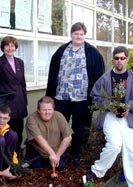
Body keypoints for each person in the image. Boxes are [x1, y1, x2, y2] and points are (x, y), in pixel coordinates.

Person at [86, 46, 133, 187]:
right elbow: (95, 96)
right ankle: (96, 171)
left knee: (132, 151)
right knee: (115, 145)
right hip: (110, 115)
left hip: (128, 117)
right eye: (116, 58)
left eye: (122, 58)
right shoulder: (105, 78)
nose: (119, 61)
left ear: (127, 59)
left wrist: (128, 107)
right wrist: (110, 105)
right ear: (113, 60)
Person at [46, 22, 105, 164]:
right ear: (71, 34)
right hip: (62, 96)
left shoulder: (92, 53)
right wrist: (49, 95)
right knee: (60, 126)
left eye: (81, 34)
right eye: (76, 33)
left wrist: (95, 96)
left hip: (82, 98)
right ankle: (59, 153)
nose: (78, 36)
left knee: (80, 127)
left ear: (84, 35)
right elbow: (52, 73)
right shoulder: (61, 51)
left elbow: (99, 75)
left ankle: (76, 152)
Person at [0, 36, 28, 155]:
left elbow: (23, 83)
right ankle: (6, 158)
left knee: (19, 131)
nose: (10, 48)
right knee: (7, 132)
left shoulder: (20, 62)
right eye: (7, 45)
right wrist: (0, 105)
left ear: (16, 47)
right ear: (3, 47)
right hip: (6, 104)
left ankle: (16, 157)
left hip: (19, 103)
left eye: (12, 45)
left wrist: (25, 102)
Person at [24, 96, 73, 170]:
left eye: (49, 109)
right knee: (34, 165)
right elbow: (38, 138)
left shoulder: (59, 116)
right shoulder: (32, 119)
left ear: (53, 109)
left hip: (56, 149)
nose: (47, 112)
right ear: (38, 110)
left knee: (60, 166)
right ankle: (43, 160)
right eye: (44, 110)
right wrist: (51, 153)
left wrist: (57, 156)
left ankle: (50, 160)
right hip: (38, 150)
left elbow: (68, 137)